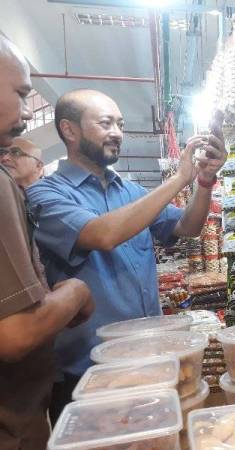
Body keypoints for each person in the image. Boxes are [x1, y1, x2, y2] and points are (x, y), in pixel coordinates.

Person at [26, 88, 227, 422]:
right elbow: (103, 234)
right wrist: (179, 179)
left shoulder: (131, 193)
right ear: (69, 130)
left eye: (119, 124)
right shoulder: (46, 193)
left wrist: (204, 181)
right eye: (105, 123)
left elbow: (188, 228)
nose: (117, 133)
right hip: (88, 374)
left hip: (149, 364)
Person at [0, 36, 94, 450]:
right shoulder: (33, 191)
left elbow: (181, 226)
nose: (25, 109)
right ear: (70, 132)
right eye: (20, 93)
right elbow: (16, 334)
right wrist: (75, 291)